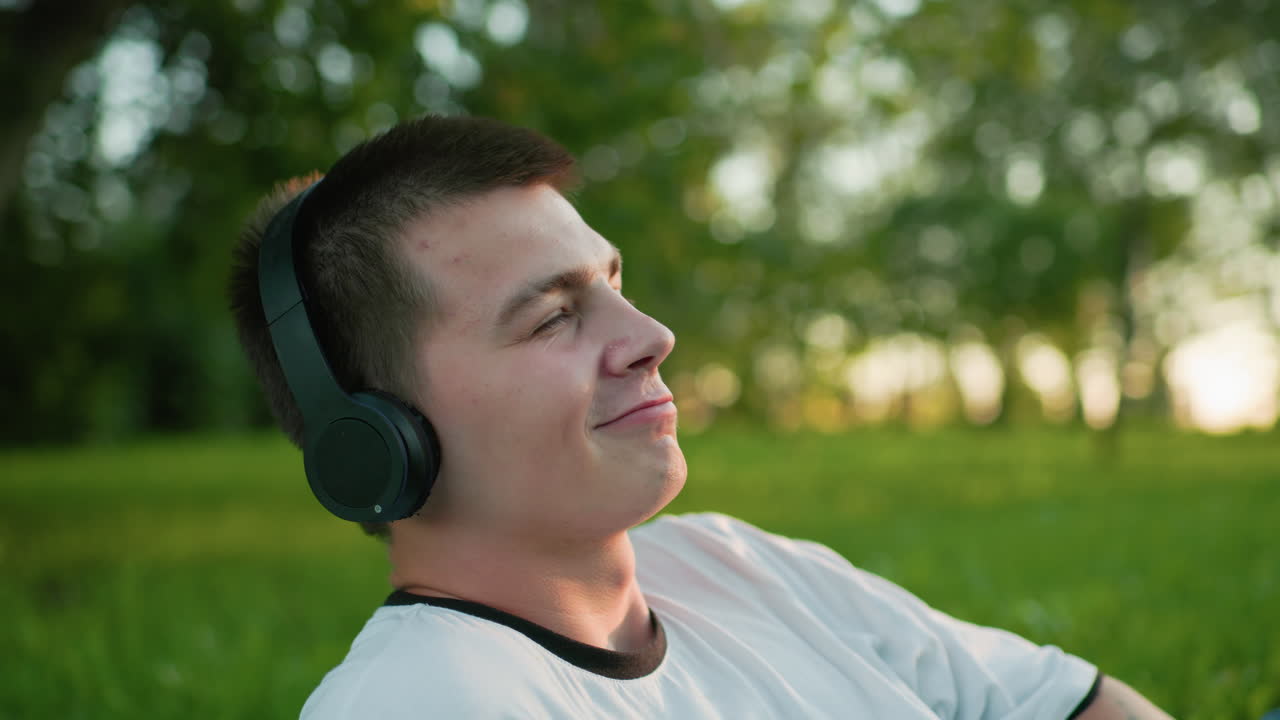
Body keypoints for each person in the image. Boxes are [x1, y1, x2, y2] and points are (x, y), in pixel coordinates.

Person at [229, 115, 1172, 719]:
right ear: (373, 445)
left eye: (615, 285)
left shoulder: (730, 561)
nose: (652, 336)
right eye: (554, 317)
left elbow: (1072, 705)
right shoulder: (429, 701)